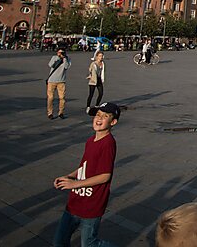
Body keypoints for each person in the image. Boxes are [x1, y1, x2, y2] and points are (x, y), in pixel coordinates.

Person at [53, 102, 120, 246]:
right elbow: (85, 166)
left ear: (113, 122)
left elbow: (105, 175)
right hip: (75, 201)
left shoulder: (108, 144)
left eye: (105, 116)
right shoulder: (91, 141)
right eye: (97, 115)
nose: (99, 118)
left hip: (92, 204)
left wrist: (75, 183)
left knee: (89, 243)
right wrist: (70, 176)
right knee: (59, 241)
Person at [47, 48, 71, 119]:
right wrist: (58, 57)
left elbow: (66, 67)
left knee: (62, 98)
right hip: (51, 80)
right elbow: (50, 65)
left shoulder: (67, 59)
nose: (60, 54)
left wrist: (64, 59)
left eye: (62, 52)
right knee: (50, 98)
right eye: (59, 52)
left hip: (61, 81)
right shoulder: (54, 57)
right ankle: (50, 113)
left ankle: (61, 112)